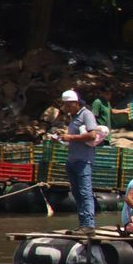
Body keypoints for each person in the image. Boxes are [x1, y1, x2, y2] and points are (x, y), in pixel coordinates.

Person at [60, 90, 98, 234]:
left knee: (85, 192)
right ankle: (83, 224)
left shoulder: (86, 114)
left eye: (69, 105)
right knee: (76, 193)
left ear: (76, 103)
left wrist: (70, 137)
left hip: (83, 160)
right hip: (72, 160)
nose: (67, 108)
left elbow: (92, 135)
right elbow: (73, 137)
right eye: (66, 106)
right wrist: (63, 138)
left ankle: (89, 225)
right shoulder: (73, 117)